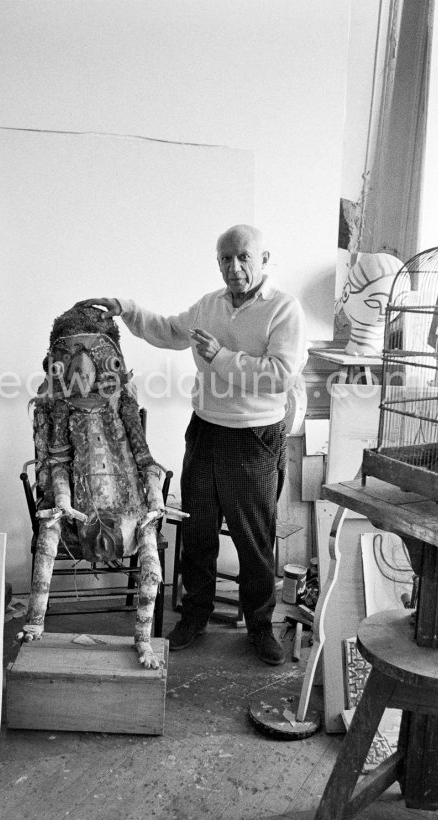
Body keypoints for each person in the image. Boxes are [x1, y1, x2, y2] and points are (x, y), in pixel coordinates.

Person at [80, 224, 307, 665]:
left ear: (264, 259)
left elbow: (281, 374)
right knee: (198, 530)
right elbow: (167, 330)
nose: (234, 267)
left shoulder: (284, 309)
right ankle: (195, 615)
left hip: (255, 438)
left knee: (254, 540)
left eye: (243, 257)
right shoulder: (209, 306)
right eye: (225, 258)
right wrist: (125, 308)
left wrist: (219, 357)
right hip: (204, 430)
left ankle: (260, 627)